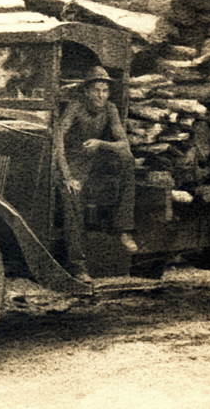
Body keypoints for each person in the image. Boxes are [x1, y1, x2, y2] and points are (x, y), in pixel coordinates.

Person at [53, 66, 137, 284]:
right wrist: (67, 176)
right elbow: (58, 140)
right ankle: (78, 266)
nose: (101, 95)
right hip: (74, 164)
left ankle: (123, 228)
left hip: (96, 164)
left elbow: (123, 146)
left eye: (105, 91)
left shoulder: (110, 110)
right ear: (86, 91)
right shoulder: (75, 107)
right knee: (72, 200)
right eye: (97, 90)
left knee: (128, 161)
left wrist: (101, 143)